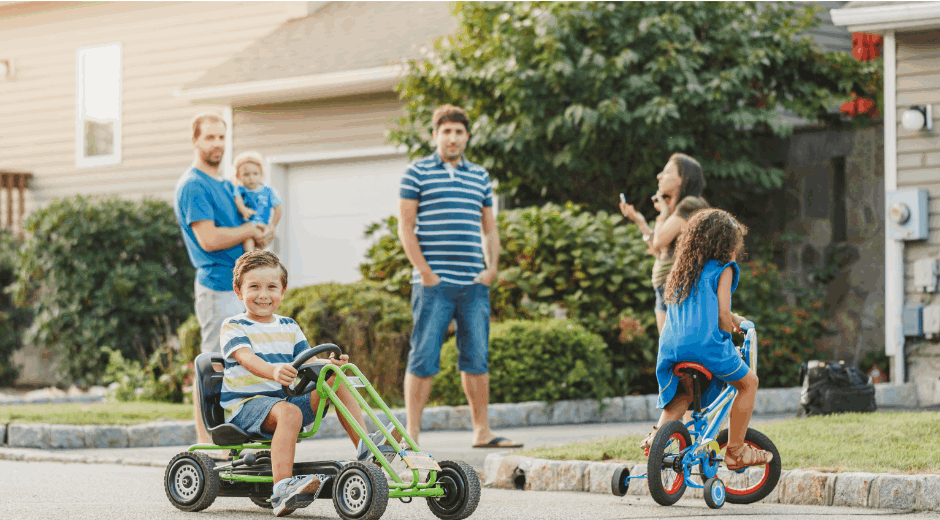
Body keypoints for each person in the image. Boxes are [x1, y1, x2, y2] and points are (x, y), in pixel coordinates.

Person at [221, 251, 384, 516]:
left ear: (283, 291)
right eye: (254, 287)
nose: (264, 294)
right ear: (239, 291)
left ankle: (366, 447)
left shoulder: (289, 326)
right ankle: (282, 489)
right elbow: (246, 357)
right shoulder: (234, 325)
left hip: (283, 402)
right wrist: (273, 371)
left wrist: (330, 365)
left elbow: (308, 363)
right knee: (290, 411)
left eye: (271, 287)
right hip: (247, 407)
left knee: (333, 377)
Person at [398, 104, 521, 449]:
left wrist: (491, 268)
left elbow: (490, 227)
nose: (453, 138)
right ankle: (412, 434)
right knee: (423, 357)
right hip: (432, 285)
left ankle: (482, 431)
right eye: (446, 131)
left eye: (459, 132)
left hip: (473, 284)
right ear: (435, 135)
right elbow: (405, 227)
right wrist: (425, 272)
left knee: (477, 357)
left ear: (467, 136)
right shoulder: (416, 173)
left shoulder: (479, 176)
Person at [640, 209, 772, 471]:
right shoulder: (724, 269)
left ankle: (657, 437)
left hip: (671, 347)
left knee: (684, 393)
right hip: (705, 346)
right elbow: (721, 312)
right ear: (726, 245)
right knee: (748, 383)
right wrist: (729, 332)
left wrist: (735, 318)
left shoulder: (682, 269)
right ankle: (735, 451)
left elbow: (701, 308)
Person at [174, 112, 274, 451]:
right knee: (212, 365)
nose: (217, 144)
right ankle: (206, 445)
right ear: (195, 141)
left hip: (239, 287)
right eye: (210, 138)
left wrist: (260, 233)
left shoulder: (226, 184)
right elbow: (209, 239)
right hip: (216, 286)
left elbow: (243, 228)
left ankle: (237, 441)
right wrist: (246, 231)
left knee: (242, 365)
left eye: (221, 137)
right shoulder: (193, 185)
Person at [619, 153, 708, 333]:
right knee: (668, 352)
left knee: (673, 353)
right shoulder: (679, 209)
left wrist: (664, 213)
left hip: (677, 288)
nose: (659, 176)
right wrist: (640, 221)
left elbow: (659, 241)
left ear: (683, 179)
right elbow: (657, 250)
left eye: (667, 172)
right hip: (665, 287)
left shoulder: (691, 204)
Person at [231, 151, 282, 252]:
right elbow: (238, 201)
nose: (251, 178)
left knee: (262, 241)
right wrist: (244, 210)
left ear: (261, 174)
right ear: (238, 176)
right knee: (248, 240)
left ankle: (257, 258)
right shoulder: (239, 190)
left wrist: (272, 226)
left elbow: (278, 209)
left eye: (255, 174)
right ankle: (249, 257)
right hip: (246, 226)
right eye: (246, 175)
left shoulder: (268, 191)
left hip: (262, 224)